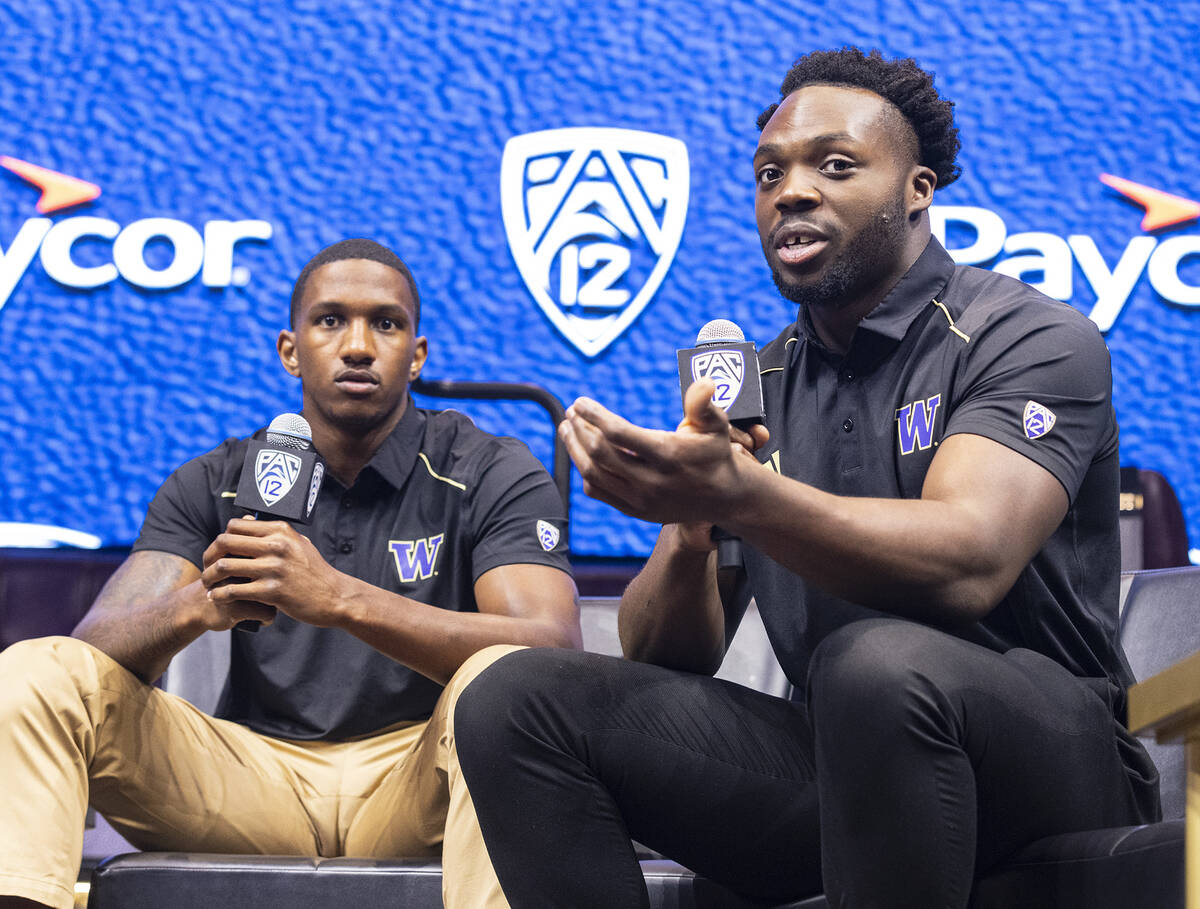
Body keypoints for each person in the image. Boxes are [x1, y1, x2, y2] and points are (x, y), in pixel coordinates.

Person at [452, 48, 1160, 908]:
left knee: (875, 663)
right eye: (767, 173)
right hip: (843, 761)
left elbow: (968, 559)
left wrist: (744, 495)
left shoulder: (1025, 334)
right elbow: (668, 653)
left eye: (835, 165)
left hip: (1051, 763)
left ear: (918, 189)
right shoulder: (761, 383)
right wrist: (692, 524)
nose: (790, 190)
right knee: (513, 699)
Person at [0, 238, 580, 909]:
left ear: (416, 356)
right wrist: (198, 604)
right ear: (290, 349)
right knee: (37, 669)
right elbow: (90, 652)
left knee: (500, 680)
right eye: (330, 320)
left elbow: (550, 653)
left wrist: (337, 597)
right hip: (249, 782)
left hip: (421, 779)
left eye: (385, 323)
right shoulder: (216, 479)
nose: (358, 345)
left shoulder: (486, 467)